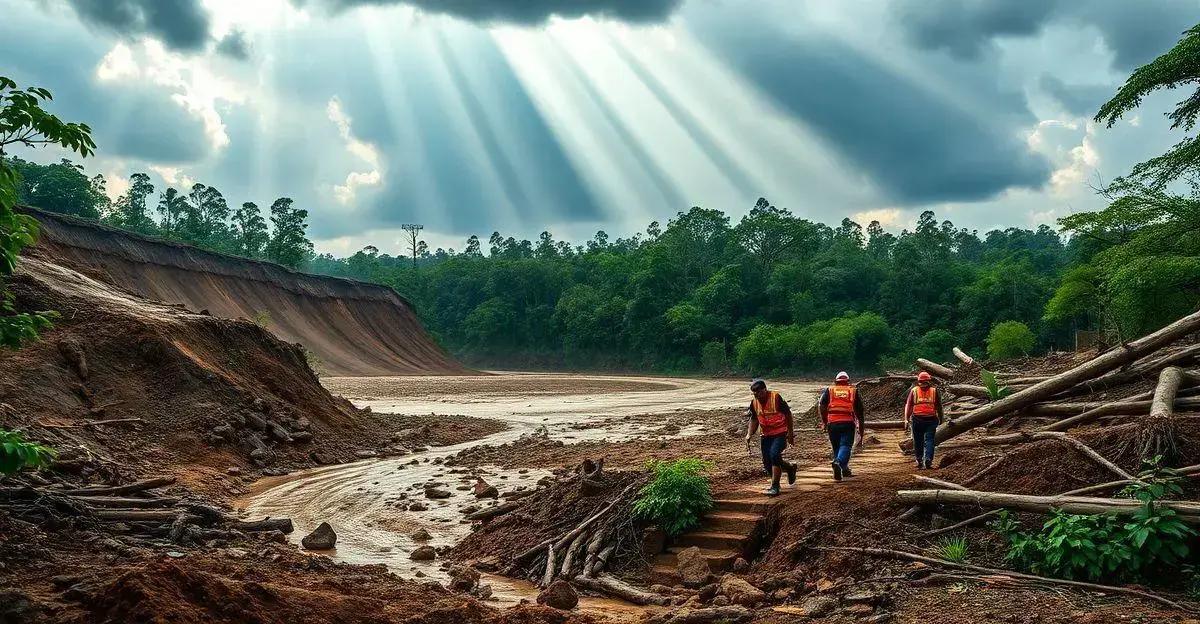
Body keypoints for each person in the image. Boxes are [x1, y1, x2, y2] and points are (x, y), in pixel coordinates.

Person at [745, 379, 797, 496]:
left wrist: (790, 433)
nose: (757, 395)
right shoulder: (754, 403)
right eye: (754, 393)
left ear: (765, 390)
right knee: (767, 462)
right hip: (766, 434)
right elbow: (754, 419)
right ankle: (789, 468)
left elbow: (788, 415)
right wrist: (749, 434)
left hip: (780, 433)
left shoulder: (776, 398)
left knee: (774, 455)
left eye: (759, 392)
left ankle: (775, 486)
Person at [818, 371, 864, 481]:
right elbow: (860, 413)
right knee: (846, 446)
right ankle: (838, 463)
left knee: (837, 447)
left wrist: (824, 422)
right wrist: (861, 431)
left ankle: (843, 469)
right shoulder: (853, 391)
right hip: (848, 422)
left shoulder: (829, 390)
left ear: (835, 382)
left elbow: (822, 406)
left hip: (832, 423)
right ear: (848, 382)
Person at [904, 371, 944, 469]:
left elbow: (908, 405)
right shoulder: (934, 391)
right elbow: (939, 406)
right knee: (929, 440)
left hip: (917, 419)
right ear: (929, 381)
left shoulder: (914, 390)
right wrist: (941, 418)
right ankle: (928, 459)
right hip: (931, 419)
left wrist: (906, 419)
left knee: (918, 440)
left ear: (919, 381)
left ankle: (919, 460)